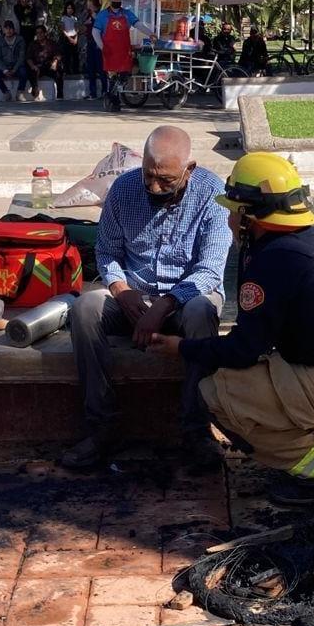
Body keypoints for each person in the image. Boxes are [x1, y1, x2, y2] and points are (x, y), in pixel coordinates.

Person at [149, 153, 314, 506]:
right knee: (259, 376)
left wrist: (182, 348)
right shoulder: (309, 242)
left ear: (251, 217)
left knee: (219, 392)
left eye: (234, 211)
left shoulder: (274, 261)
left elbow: (242, 350)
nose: (229, 219)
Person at [62, 125, 233, 470]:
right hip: (134, 297)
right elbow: (107, 251)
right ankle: (102, 426)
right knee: (85, 308)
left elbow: (210, 270)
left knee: (202, 310)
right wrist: (121, 291)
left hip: (185, 301)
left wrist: (166, 304)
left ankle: (196, 430)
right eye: (148, 177)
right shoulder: (124, 190)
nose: (154, 188)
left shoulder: (213, 195)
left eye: (166, 181)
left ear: (190, 169)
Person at [92, 0, 154, 90]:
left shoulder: (127, 13)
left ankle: (118, 89)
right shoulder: (103, 15)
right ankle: (113, 100)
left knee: (126, 72)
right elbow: (95, 32)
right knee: (112, 77)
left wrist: (151, 34)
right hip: (109, 51)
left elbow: (138, 24)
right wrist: (102, 47)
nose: (116, 0)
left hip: (124, 51)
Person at [0, 20, 27, 101]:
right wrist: (5, 70)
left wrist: (14, 70)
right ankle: (6, 92)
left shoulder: (20, 40)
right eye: (6, 28)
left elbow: (21, 56)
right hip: (4, 66)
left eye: (10, 28)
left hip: (17, 66)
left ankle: (20, 92)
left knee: (24, 72)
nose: (8, 30)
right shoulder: (0, 40)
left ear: (14, 29)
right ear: (3, 30)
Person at [25, 24, 63, 101]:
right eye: (37, 33)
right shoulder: (33, 44)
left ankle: (60, 94)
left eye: (41, 32)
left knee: (59, 71)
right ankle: (35, 90)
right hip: (38, 66)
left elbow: (58, 54)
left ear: (45, 33)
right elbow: (28, 58)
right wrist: (33, 66)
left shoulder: (51, 43)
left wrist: (55, 62)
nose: (39, 35)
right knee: (31, 71)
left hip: (49, 65)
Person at [80, 0, 106, 100]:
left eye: (88, 2)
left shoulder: (100, 14)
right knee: (91, 69)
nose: (87, 4)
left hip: (98, 43)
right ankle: (93, 92)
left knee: (101, 68)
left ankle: (105, 91)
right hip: (90, 42)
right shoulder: (88, 14)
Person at [59, 1, 79, 76]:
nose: (70, 10)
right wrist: (69, 38)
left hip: (74, 36)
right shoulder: (63, 18)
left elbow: (76, 28)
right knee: (67, 55)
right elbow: (62, 29)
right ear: (66, 9)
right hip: (67, 37)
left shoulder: (75, 18)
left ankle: (75, 70)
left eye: (71, 8)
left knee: (75, 55)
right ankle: (67, 70)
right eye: (68, 8)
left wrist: (76, 38)